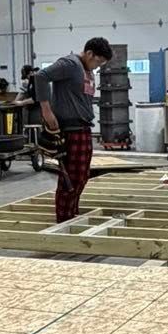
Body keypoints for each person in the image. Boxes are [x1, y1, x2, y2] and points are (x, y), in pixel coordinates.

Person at [34, 37, 113, 221]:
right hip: (70, 129)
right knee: (71, 178)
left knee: (82, 176)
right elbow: (41, 77)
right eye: (98, 61)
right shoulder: (70, 64)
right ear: (89, 53)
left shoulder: (86, 69)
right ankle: (64, 217)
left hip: (83, 128)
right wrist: (46, 111)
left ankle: (72, 212)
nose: (98, 66)